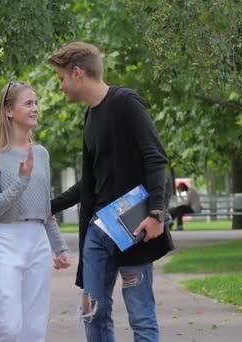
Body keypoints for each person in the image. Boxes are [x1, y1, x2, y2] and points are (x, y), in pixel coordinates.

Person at [48, 42, 174, 342]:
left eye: (62, 78)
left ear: (77, 73)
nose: (62, 87)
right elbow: (89, 183)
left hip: (133, 228)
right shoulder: (90, 118)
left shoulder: (126, 102)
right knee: (93, 311)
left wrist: (157, 213)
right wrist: (52, 205)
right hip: (98, 233)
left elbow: (155, 157)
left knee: (141, 316)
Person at [0, 81, 71, 342]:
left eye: (36, 103)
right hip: (6, 241)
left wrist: (59, 247)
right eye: (28, 103)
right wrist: (21, 181)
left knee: (34, 330)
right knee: (7, 327)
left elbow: (45, 207)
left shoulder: (41, 154)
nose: (35, 109)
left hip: (37, 242)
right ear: (8, 111)